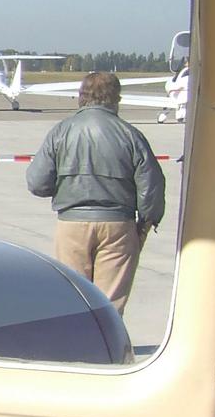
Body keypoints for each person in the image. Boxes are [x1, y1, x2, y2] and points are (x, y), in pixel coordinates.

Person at [25, 70, 165, 314]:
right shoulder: (130, 135)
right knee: (110, 303)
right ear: (116, 99)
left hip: (72, 225)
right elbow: (151, 185)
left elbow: (37, 182)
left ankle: (76, 347)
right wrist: (145, 222)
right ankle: (108, 348)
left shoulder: (61, 132)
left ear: (82, 97)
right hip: (118, 225)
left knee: (73, 297)